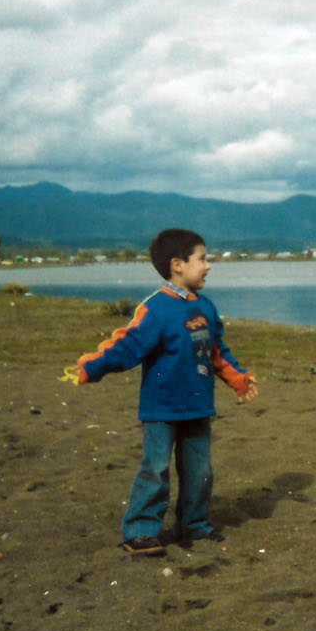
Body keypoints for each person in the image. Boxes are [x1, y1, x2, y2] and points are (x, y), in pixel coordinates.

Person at [72, 228, 258, 557]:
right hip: (161, 410)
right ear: (178, 265)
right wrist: (91, 367)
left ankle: (194, 525)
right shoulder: (156, 309)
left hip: (198, 408)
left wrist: (239, 379)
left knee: (200, 472)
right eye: (202, 259)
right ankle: (141, 530)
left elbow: (216, 353)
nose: (209, 266)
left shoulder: (207, 308)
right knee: (155, 470)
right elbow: (127, 346)